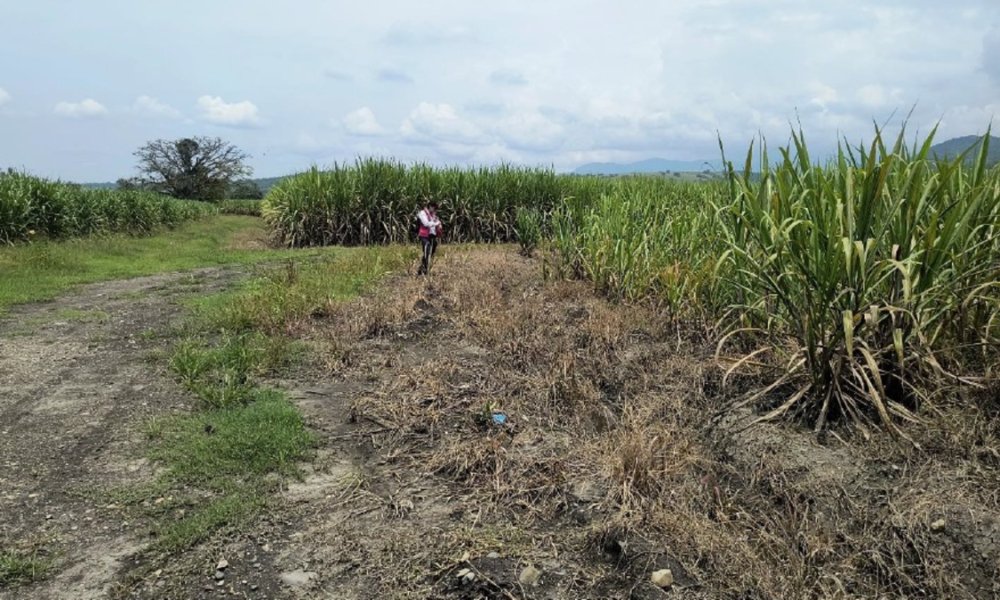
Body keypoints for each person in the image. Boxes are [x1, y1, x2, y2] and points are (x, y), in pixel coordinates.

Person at [416, 201, 443, 275]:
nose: (435, 210)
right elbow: (426, 224)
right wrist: (436, 223)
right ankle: (424, 270)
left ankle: (422, 269)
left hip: (432, 236)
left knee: (431, 253)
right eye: (434, 208)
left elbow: (437, 221)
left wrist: (439, 224)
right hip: (424, 235)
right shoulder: (422, 213)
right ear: (430, 206)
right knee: (426, 251)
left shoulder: (432, 214)